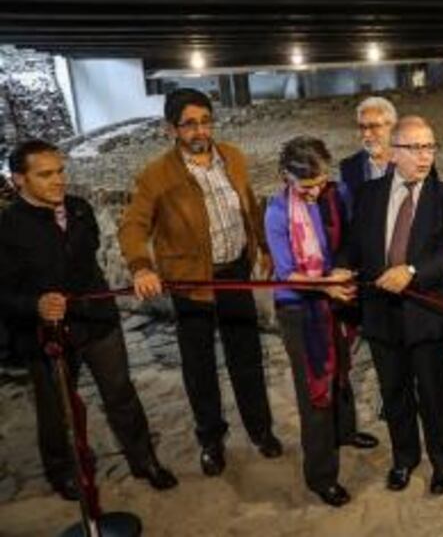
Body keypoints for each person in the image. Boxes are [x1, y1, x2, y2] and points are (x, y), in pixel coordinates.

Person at [0, 140, 177, 501]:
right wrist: (35, 304)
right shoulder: (7, 227)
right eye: (45, 174)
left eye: (60, 171)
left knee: (121, 394)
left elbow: (87, 263)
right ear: (19, 179)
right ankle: (63, 472)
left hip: (97, 321)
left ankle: (144, 460)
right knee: (55, 409)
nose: (58, 180)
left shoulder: (80, 210)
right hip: (45, 332)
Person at [118, 88, 281, 477]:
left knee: (247, 357)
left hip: (235, 274)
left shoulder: (233, 158)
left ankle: (260, 431)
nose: (200, 130)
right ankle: (211, 439)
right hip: (190, 283)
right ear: (171, 129)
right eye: (190, 123)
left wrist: (263, 246)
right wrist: (141, 266)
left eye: (205, 121)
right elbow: (133, 225)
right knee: (200, 366)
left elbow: (250, 203)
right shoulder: (156, 175)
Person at [335, 115, 443, 495]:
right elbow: (354, 243)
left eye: (430, 147)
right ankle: (404, 458)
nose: (425, 156)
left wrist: (411, 271)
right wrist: (341, 266)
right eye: (415, 148)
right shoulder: (369, 194)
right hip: (380, 313)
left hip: (426, 314)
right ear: (394, 153)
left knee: (435, 393)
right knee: (394, 393)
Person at [264, 136, 374, 507]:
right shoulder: (277, 212)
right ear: (285, 177)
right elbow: (287, 274)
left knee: (342, 371)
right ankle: (321, 475)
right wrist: (328, 288)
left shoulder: (336, 192)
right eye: (306, 186)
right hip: (300, 308)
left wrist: (342, 273)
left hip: (335, 295)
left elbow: (349, 237)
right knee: (315, 389)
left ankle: (345, 432)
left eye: (320, 182)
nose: (315, 192)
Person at [339, 96, 397, 206]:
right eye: (362, 127)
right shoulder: (349, 167)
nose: (366, 134)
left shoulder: (412, 162)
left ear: (392, 127)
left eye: (374, 126)